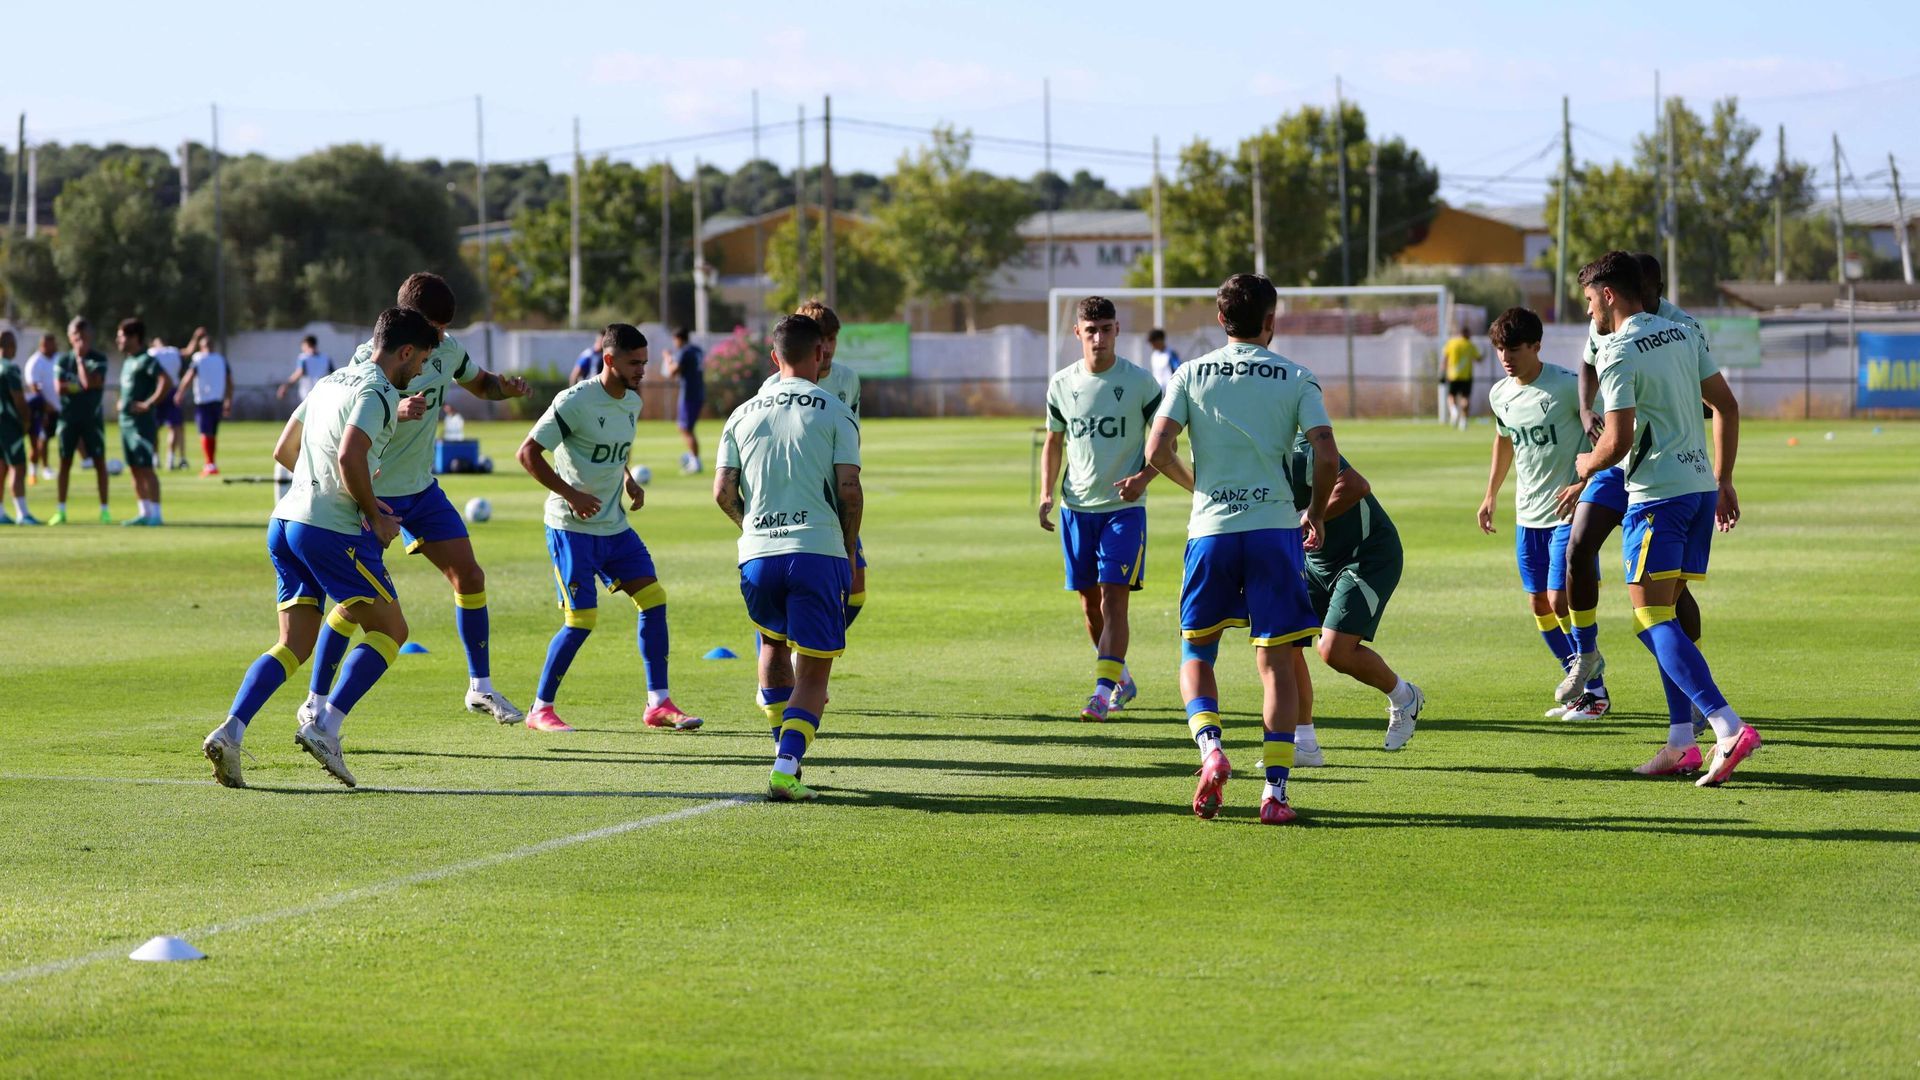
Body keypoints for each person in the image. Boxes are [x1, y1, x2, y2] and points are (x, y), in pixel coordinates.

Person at [199, 307, 440, 789]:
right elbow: (351, 453)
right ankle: (325, 727)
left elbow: (284, 449)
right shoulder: (378, 391)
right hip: (329, 530)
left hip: (286, 520)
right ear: (406, 351)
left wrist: (319, 489)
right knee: (391, 631)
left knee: (294, 644)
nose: (421, 372)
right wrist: (372, 513)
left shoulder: (330, 381)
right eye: (422, 361)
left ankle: (231, 731)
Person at [1144, 273, 1334, 826]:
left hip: (1210, 531)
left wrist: (1195, 485)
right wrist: (1316, 512)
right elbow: (1326, 453)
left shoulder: (1190, 372)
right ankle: (1274, 794)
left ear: (1221, 320)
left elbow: (1156, 447)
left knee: (1197, 651)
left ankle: (1210, 749)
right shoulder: (1296, 376)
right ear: (1269, 320)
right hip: (1275, 530)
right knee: (1276, 664)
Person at [302, 273, 531, 728]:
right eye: (433, 326)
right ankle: (314, 699)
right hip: (372, 493)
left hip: (421, 490)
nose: (440, 337)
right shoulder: (367, 361)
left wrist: (505, 387)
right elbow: (353, 418)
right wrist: (399, 409)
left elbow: (480, 383)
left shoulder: (446, 350)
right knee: (354, 602)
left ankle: (479, 688)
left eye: (446, 328)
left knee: (469, 575)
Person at [1571, 250, 1754, 785]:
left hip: (1657, 497)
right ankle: (1681, 743)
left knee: (1650, 619)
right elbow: (1727, 404)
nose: (1589, 315)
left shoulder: (1618, 349)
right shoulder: (1683, 333)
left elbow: (1617, 438)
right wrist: (1723, 478)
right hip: (1698, 490)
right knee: (1659, 617)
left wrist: (1586, 464)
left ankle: (1726, 726)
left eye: (1588, 302)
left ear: (1608, 295)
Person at [517, 323, 702, 734]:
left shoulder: (632, 403)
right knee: (581, 621)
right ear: (609, 359)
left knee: (654, 599)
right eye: (635, 363)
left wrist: (628, 478)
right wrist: (571, 494)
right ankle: (540, 708)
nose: (643, 371)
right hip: (571, 529)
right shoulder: (575, 401)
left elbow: (615, 452)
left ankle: (658, 704)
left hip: (614, 528)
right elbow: (527, 453)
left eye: (645, 363)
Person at [714, 313, 863, 802]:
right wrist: (847, 549)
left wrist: (751, 528)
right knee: (815, 668)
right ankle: (785, 765)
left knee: (773, 648)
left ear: (774, 357)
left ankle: (784, 749)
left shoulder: (741, 413)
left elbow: (722, 492)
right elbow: (850, 490)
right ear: (820, 354)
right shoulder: (836, 411)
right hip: (817, 552)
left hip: (756, 555)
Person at [1557, 252, 1710, 715]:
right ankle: (1585, 654)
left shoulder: (1682, 329)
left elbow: (1710, 401)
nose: (1589, 312)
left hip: (1658, 471)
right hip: (1621, 464)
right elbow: (1588, 362)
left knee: (1664, 604)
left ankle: (1700, 702)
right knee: (1579, 544)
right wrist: (1587, 411)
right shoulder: (1607, 326)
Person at [1476, 306, 1608, 720]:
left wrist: (1584, 484)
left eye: (1514, 348)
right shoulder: (1501, 394)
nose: (1505, 357)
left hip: (1570, 511)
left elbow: (1607, 440)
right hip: (1527, 514)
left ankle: (1592, 686)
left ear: (1536, 346)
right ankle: (1589, 687)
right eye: (1499, 349)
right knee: (1539, 605)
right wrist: (1490, 494)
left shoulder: (1571, 388)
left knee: (1558, 597)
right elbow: (1505, 441)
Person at [1037, 295, 1161, 721]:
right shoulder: (1061, 384)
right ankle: (1121, 677)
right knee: (1091, 605)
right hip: (1075, 509)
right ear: (1078, 333)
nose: (1099, 337)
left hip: (1123, 510)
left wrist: (1143, 478)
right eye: (1091, 330)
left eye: (1106, 329)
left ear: (1117, 331)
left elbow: (1166, 440)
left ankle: (1101, 691)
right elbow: (1053, 442)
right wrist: (1046, 493)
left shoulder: (1142, 383)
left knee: (1114, 600)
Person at [1282, 417, 1425, 766]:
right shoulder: (1249, 457)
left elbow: (1355, 484)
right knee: (1283, 642)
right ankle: (1304, 745)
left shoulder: (1300, 450)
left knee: (1334, 651)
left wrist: (1311, 516)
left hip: (1367, 555)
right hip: (1316, 561)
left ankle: (1404, 697)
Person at [760, 300, 866, 639]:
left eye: (834, 338)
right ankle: (786, 658)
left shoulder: (848, 380)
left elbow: (851, 436)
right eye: (823, 339)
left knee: (856, 590)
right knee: (780, 595)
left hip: (834, 498)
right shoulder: (772, 388)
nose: (830, 347)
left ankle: (796, 650)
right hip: (792, 500)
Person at [50, 317, 112, 525]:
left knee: (99, 463)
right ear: (69, 337)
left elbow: (90, 382)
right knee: (65, 462)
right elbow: (59, 388)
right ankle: (61, 510)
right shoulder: (61, 360)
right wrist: (79, 385)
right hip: (68, 419)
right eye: (76, 337)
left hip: (92, 420)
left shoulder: (98, 358)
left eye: (84, 336)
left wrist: (80, 362)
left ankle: (104, 510)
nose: (80, 341)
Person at [114, 318, 173, 527]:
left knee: (146, 467)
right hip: (126, 423)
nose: (118, 340)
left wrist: (149, 403)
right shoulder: (128, 361)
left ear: (134, 337)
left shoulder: (146, 360)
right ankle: (143, 512)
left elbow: (166, 381)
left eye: (121, 336)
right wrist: (121, 402)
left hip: (141, 424)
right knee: (134, 468)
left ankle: (157, 514)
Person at [174, 328, 232, 475]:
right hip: (218, 400)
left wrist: (180, 392)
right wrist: (228, 400)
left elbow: (188, 377)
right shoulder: (221, 359)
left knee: (205, 433)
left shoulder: (198, 359)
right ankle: (211, 463)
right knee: (212, 433)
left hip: (204, 401)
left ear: (202, 346)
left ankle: (209, 464)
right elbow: (230, 382)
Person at [0, 331, 37, 524]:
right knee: (18, 467)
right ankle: (22, 513)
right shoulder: (10, 369)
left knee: (1, 467)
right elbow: (19, 399)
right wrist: (26, 421)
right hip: (8, 425)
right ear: (9, 346)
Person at [664, 327, 706, 474]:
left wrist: (668, 358)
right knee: (686, 427)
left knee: (685, 428)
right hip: (699, 391)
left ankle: (695, 461)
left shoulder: (685, 351)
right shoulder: (697, 350)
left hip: (689, 394)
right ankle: (692, 457)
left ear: (679, 339)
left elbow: (672, 372)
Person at [23, 333, 60, 484]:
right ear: (42, 345)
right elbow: (34, 387)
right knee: (39, 440)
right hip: (40, 409)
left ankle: (86, 459)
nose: (50, 347)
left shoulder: (59, 358)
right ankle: (37, 470)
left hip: (59, 407)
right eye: (46, 344)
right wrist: (45, 405)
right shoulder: (35, 362)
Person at [147, 334, 187, 470]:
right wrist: (195, 338)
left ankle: (155, 458)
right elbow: (188, 351)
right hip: (172, 390)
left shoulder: (151, 353)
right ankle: (170, 458)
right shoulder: (174, 352)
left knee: (154, 427)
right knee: (174, 426)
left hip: (157, 391)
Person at [1442, 324, 1481, 431]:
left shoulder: (1451, 343)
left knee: (1451, 396)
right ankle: (1463, 422)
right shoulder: (1469, 345)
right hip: (1466, 376)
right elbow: (1478, 358)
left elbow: (1445, 358)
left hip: (1452, 375)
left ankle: (1454, 411)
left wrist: (1442, 372)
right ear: (1467, 334)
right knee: (1465, 398)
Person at [277, 335, 335, 402]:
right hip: (322, 393)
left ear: (306, 345)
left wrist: (285, 386)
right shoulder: (326, 358)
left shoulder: (303, 358)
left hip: (307, 393)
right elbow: (333, 374)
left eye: (302, 346)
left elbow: (299, 373)